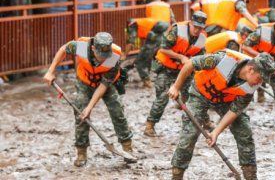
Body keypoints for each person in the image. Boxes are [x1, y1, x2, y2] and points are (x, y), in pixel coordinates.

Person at [168, 51, 275, 180]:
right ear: (250, 69)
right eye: (260, 78)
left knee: (243, 128)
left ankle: (250, 176)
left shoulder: (251, 86)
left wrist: (215, 132)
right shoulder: (221, 60)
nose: (259, 83)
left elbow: (234, 111)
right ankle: (177, 175)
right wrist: (176, 87)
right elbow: (190, 63)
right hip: (200, 93)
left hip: (224, 100)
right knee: (190, 132)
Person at [43, 32, 133, 167]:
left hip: (104, 84)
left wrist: (90, 107)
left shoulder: (114, 56)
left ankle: (127, 147)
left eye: (105, 56)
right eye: (100, 56)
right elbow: (63, 49)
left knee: (117, 111)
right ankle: (81, 151)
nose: (103, 59)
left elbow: (104, 85)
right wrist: (51, 71)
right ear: (93, 49)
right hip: (84, 81)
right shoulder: (81, 47)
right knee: (81, 114)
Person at [144, 11, 208, 137]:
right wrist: (181, 57)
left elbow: (201, 56)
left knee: (193, 95)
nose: (197, 30)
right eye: (195, 27)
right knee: (162, 97)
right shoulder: (177, 30)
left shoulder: (202, 37)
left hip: (184, 70)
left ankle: (204, 121)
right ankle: (149, 125)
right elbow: (163, 48)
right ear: (190, 23)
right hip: (166, 68)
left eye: (200, 28)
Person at [242, 15, 275, 127]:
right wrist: (260, 56)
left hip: (268, 61)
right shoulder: (261, 32)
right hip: (251, 60)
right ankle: (234, 118)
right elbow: (245, 46)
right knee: (243, 89)